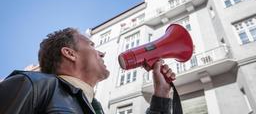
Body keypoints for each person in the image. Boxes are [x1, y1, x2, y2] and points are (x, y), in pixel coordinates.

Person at [0, 28, 176, 114]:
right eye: (92, 45)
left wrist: (161, 94)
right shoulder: (32, 85)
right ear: (70, 53)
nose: (102, 52)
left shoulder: (95, 108)